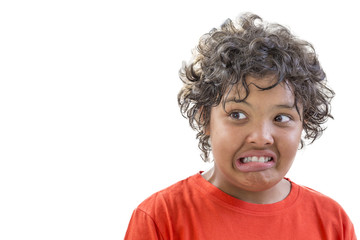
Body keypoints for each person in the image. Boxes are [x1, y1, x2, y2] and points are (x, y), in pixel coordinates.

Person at [125, 13, 357, 239]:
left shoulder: (331, 222)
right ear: (205, 118)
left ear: (303, 123)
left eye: (281, 118)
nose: (261, 137)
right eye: (237, 114)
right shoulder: (160, 218)